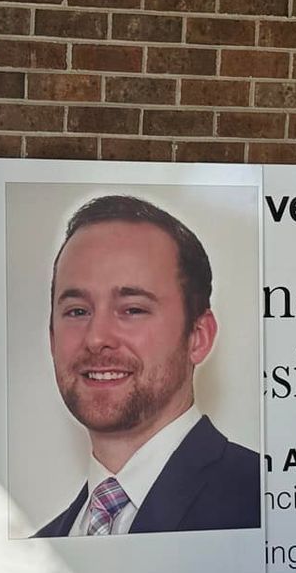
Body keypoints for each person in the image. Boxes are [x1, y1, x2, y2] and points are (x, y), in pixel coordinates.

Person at [33, 194, 260, 537]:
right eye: (77, 311)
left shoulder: (268, 502)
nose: (96, 338)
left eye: (133, 309)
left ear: (198, 336)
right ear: (52, 338)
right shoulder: (41, 549)